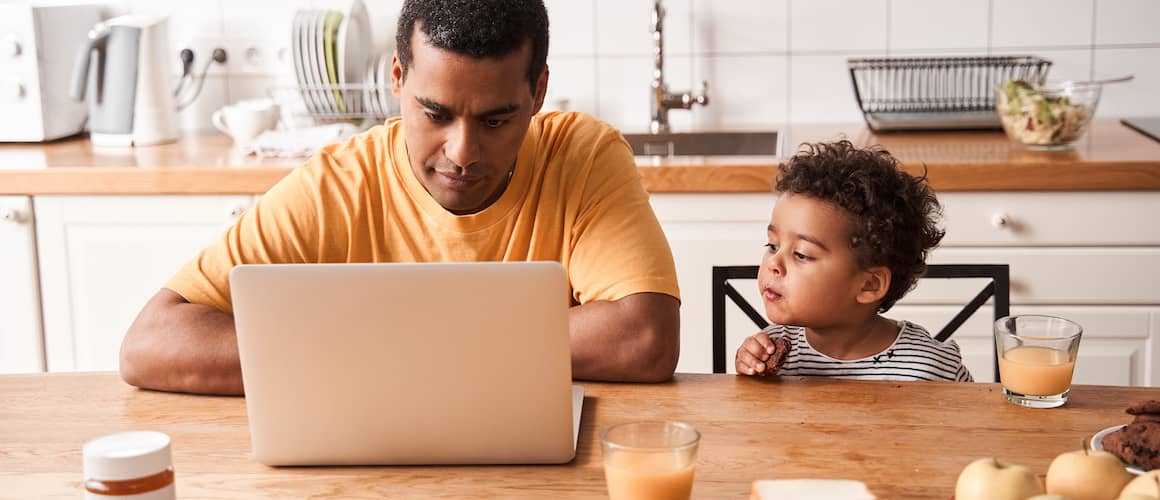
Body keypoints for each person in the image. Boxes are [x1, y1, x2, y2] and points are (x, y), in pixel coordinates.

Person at [119, 0, 681, 395]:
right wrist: (413, 353)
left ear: (537, 93)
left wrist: (392, 348)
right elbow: (151, 344)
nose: (462, 152)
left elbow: (645, 337)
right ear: (397, 78)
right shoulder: (339, 184)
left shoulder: (581, 156)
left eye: (496, 119)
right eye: (435, 114)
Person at [734, 140, 972, 382]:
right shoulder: (771, 351)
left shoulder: (930, 370)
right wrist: (748, 368)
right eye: (773, 246)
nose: (774, 263)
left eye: (802, 254)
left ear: (869, 284)